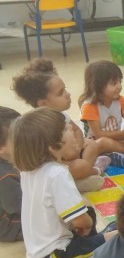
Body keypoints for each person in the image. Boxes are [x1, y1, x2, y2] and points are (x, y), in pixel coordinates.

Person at [12, 108, 118, 258]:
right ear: (52, 147)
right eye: (66, 129)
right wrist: (86, 224)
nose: (72, 130)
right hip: (59, 256)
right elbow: (82, 222)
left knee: (91, 214)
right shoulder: (57, 174)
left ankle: (102, 238)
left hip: (44, 248)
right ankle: (106, 239)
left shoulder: (29, 171)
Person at [11, 59, 117, 192]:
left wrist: (77, 148)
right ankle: (92, 171)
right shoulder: (39, 126)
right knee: (80, 166)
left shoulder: (63, 115)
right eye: (61, 93)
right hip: (56, 165)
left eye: (65, 89)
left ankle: (81, 177)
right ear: (43, 103)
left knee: (91, 144)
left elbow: (77, 131)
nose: (68, 94)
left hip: (71, 155)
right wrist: (72, 155)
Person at [0, 107, 22, 242]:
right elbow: (18, 207)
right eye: (18, 136)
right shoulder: (5, 176)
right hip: (7, 224)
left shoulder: (11, 157)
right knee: (53, 222)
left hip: (12, 207)